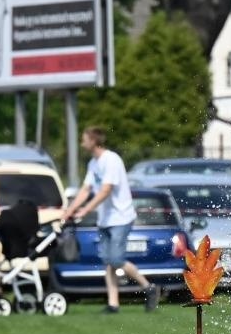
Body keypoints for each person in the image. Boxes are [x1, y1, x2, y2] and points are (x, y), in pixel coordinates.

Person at [59, 126, 159, 313]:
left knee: (115, 258)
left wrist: (85, 210)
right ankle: (113, 304)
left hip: (121, 217)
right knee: (108, 261)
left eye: (84, 139)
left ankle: (149, 287)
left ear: (93, 141)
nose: (82, 143)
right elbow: (86, 189)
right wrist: (70, 210)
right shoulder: (93, 164)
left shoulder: (111, 160)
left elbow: (106, 190)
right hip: (105, 219)